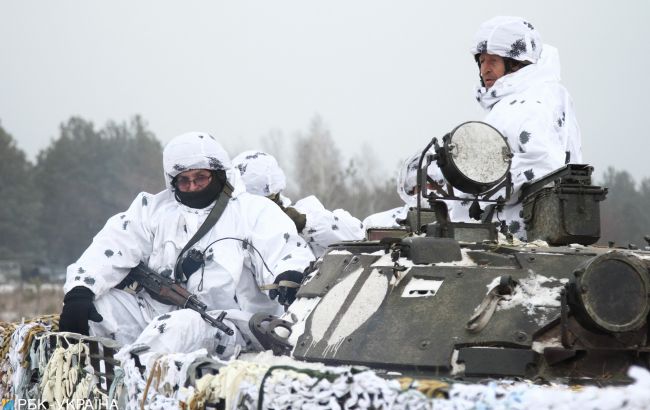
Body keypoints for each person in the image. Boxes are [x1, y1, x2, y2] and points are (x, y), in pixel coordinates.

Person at [58, 132, 315, 359]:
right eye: (184, 180)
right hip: (156, 313)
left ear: (219, 174)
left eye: (201, 178)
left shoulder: (253, 211)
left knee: (176, 329)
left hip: (230, 326)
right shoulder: (154, 210)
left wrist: (290, 274)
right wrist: (81, 290)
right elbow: (113, 244)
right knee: (98, 312)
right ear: (173, 181)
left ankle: (140, 391)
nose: (192, 186)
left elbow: (284, 249)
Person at [467, 15, 582, 239]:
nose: (484, 70)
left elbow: (546, 166)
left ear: (515, 63)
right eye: (482, 61)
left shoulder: (532, 104)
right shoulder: (514, 102)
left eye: (493, 61)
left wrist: (484, 184)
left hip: (528, 234)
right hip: (511, 233)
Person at [231, 150, 364, 258]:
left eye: (268, 199)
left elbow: (359, 236)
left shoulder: (303, 212)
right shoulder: (229, 226)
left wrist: (304, 223)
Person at [363, 151, 449, 229]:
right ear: (411, 191)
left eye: (433, 187)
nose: (429, 192)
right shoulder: (379, 223)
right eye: (421, 187)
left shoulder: (456, 222)